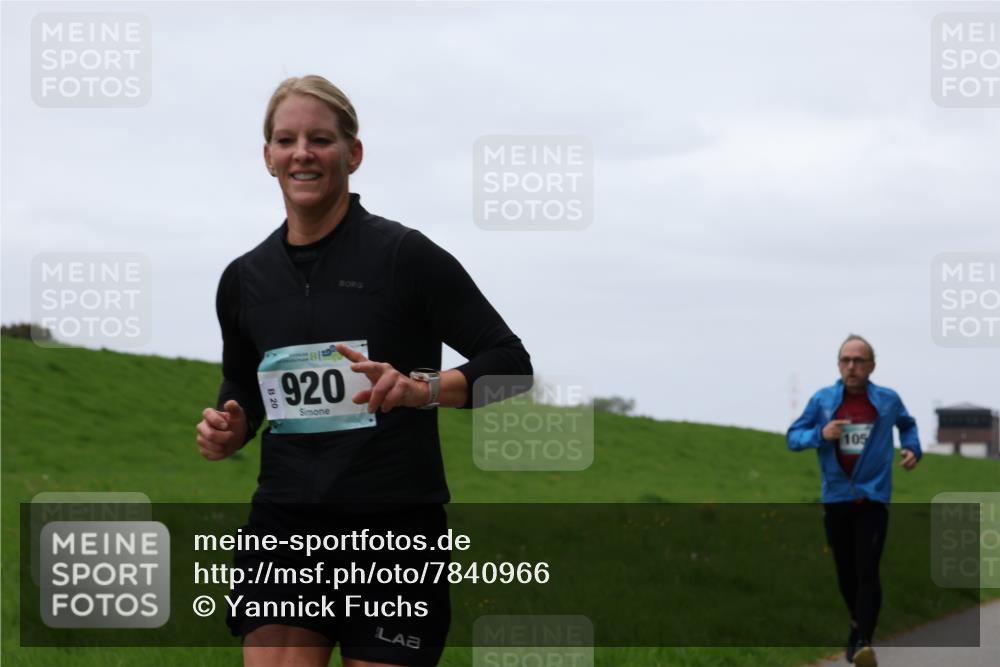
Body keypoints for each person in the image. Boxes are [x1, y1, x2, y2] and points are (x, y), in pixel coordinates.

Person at [195, 75, 532, 667]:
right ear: (269, 158)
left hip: (392, 529)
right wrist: (235, 425)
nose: (302, 152)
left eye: (320, 140)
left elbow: (510, 365)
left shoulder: (405, 256)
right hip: (285, 527)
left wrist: (419, 390)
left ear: (353, 154)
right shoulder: (243, 279)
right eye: (286, 139)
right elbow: (245, 385)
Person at [787, 334, 920, 667]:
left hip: (872, 498)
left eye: (859, 361)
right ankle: (856, 624)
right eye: (846, 360)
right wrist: (821, 434)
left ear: (871, 366)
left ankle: (863, 642)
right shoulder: (822, 401)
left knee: (867, 569)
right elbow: (793, 437)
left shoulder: (888, 401)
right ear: (838, 365)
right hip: (836, 498)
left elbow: (908, 424)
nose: (851, 367)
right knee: (845, 573)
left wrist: (911, 448)